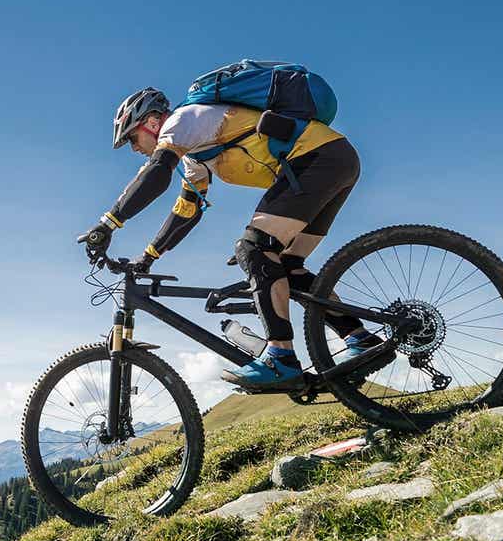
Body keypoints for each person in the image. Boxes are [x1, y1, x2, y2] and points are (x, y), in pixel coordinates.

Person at [82, 87, 385, 389]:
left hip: (317, 161)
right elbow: (187, 211)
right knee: (287, 266)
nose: (134, 148)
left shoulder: (181, 122)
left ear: (150, 123)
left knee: (253, 248)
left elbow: (157, 172)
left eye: (132, 138)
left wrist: (108, 224)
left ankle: (280, 358)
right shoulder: (193, 156)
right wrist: (148, 256)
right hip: (332, 161)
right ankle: (360, 339)